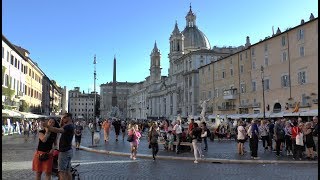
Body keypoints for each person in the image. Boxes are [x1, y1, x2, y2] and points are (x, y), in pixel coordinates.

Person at [43, 113, 75, 180]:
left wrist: (48, 126)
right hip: (69, 150)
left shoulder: (68, 126)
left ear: (69, 117)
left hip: (64, 151)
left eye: (64, 117)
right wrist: (61, 121)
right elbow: (60, 127)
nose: (63, 119)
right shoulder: (71, 125)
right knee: (67, 171)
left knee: (61, 172)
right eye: (62, 118)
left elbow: (58, 130)